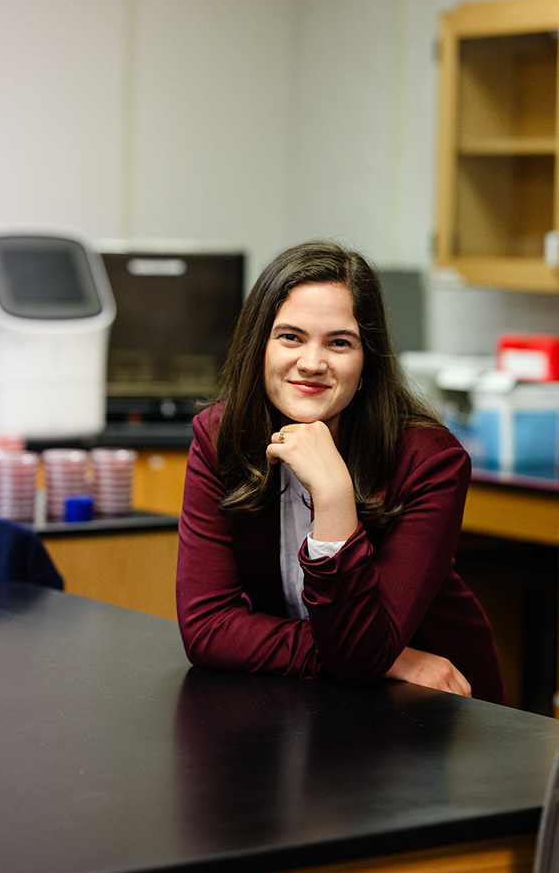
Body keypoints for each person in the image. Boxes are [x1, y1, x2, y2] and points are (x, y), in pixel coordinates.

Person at [176, 241, 507, 705]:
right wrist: (391, 658)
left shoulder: (430, 461)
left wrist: (333, 495)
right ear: (260, 346)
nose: (312, 363)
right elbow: (208, 630)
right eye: (290, 336)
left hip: (435, 711)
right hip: (315, 699)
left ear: (367, 359)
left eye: (340, 342)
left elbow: (357, 656)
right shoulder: (218, 438)